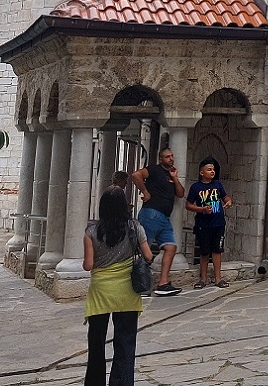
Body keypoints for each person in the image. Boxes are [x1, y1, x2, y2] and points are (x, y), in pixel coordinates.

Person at [83, 186, 153, 386]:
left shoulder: (91, 231)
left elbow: (88, 265)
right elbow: (148, 256)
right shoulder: (135, 227)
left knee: (96, 343)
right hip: (127, 292)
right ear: (124, 206)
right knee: (125, 341)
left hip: (100, 292)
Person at [130, 147, 184, 296]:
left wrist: (175, 178)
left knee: (171, 247)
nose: (171, 159)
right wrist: (145, 192)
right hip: (151, 214)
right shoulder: (154, 169)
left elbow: (180, 194)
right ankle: (140, 285)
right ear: (161, 159)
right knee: (144, 250)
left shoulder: (170, 175)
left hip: (165, 218)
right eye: (167, 157)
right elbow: (136, 175)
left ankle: (163, 284)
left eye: (172, 156)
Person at [185, 157, 232, 289]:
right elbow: (188, 205)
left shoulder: (217, 184)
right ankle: (203, 279)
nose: (212, 172)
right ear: (201, 172)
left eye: (213, 169)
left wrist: (228, 202)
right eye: (209, 169)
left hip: (218, 223)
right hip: (203, 224)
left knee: (217, 250)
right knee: (204, 251)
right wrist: (202, 209)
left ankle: (218, 279)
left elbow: (226, 197)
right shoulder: (196, 187)